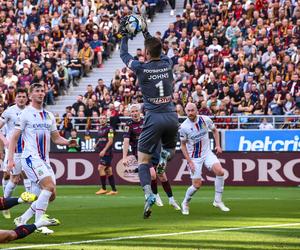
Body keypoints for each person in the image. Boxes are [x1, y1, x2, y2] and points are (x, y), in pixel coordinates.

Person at [120, 22, 179, 218]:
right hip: (171, 115)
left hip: (153, 117)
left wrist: (125, 35)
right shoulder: (168, 63)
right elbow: (156, 48)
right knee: (169, 150)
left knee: (143, 160)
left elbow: (124, 55)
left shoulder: (141, 68)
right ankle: (164, 158)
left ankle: (148, 193)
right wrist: (145, 31)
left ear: (146, 52)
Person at [7, 83, 71, 235]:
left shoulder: (49, 115)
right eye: (37, 91)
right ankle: (39, 223)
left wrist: (69, 142)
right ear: (31, 95)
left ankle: (22, 219)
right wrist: (10, 159)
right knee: (48, 187)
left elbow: (56, 138)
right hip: (30, 158)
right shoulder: (25, 114)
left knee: (51, 194)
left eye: (42, 91)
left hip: (44, 160)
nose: (41, 93)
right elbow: (14, 137)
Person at [122, 104, 180, 210]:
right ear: (130, 113)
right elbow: (126, 141)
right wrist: (124, 157)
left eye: (136, 111)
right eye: (132, 112)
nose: (134, 113)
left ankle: (171, 199)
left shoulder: (147, 121)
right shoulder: (128, 125)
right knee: (153, 175)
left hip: (154, 150)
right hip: (141, 153)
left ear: (140, 112)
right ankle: (156, 196)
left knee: (162, 175)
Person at [179, 103, 230, 215]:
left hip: (207, 153)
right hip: (194, 157)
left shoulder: (205, 120)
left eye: (192, 110)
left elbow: (215, 131)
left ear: (197, 110)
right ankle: (185, 202)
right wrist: (189, 161)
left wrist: (218, 145)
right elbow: (183, 146)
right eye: (188, 111)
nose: (190, 113)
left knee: (220, 172)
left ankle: (218, 200)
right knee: (197, 185)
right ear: (185, 111)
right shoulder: (183, 127)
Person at [0, 88, 31, 219]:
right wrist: (5, 140)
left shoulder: (31, 111)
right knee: (11, 177)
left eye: (24, 96)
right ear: (15, 97)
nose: (21, 98)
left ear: (27, 98)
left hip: (29, 149)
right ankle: (4, 204)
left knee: (27, 174)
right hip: (14, 149)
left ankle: (31, 201)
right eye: (19, 96)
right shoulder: (9, 112)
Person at [94, 114, 118, 195]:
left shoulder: (110, 129)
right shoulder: (100, 129)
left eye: (104, 118)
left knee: (100, 168)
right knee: (108, 171)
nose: (102, 120)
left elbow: (110, 141)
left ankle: (103, 188)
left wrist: (104, 150)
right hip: (103, 152)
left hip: (108, 152)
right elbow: (100, 139)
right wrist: (96, 144)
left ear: (106, 120)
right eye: (101, 118)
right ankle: (114, 190)